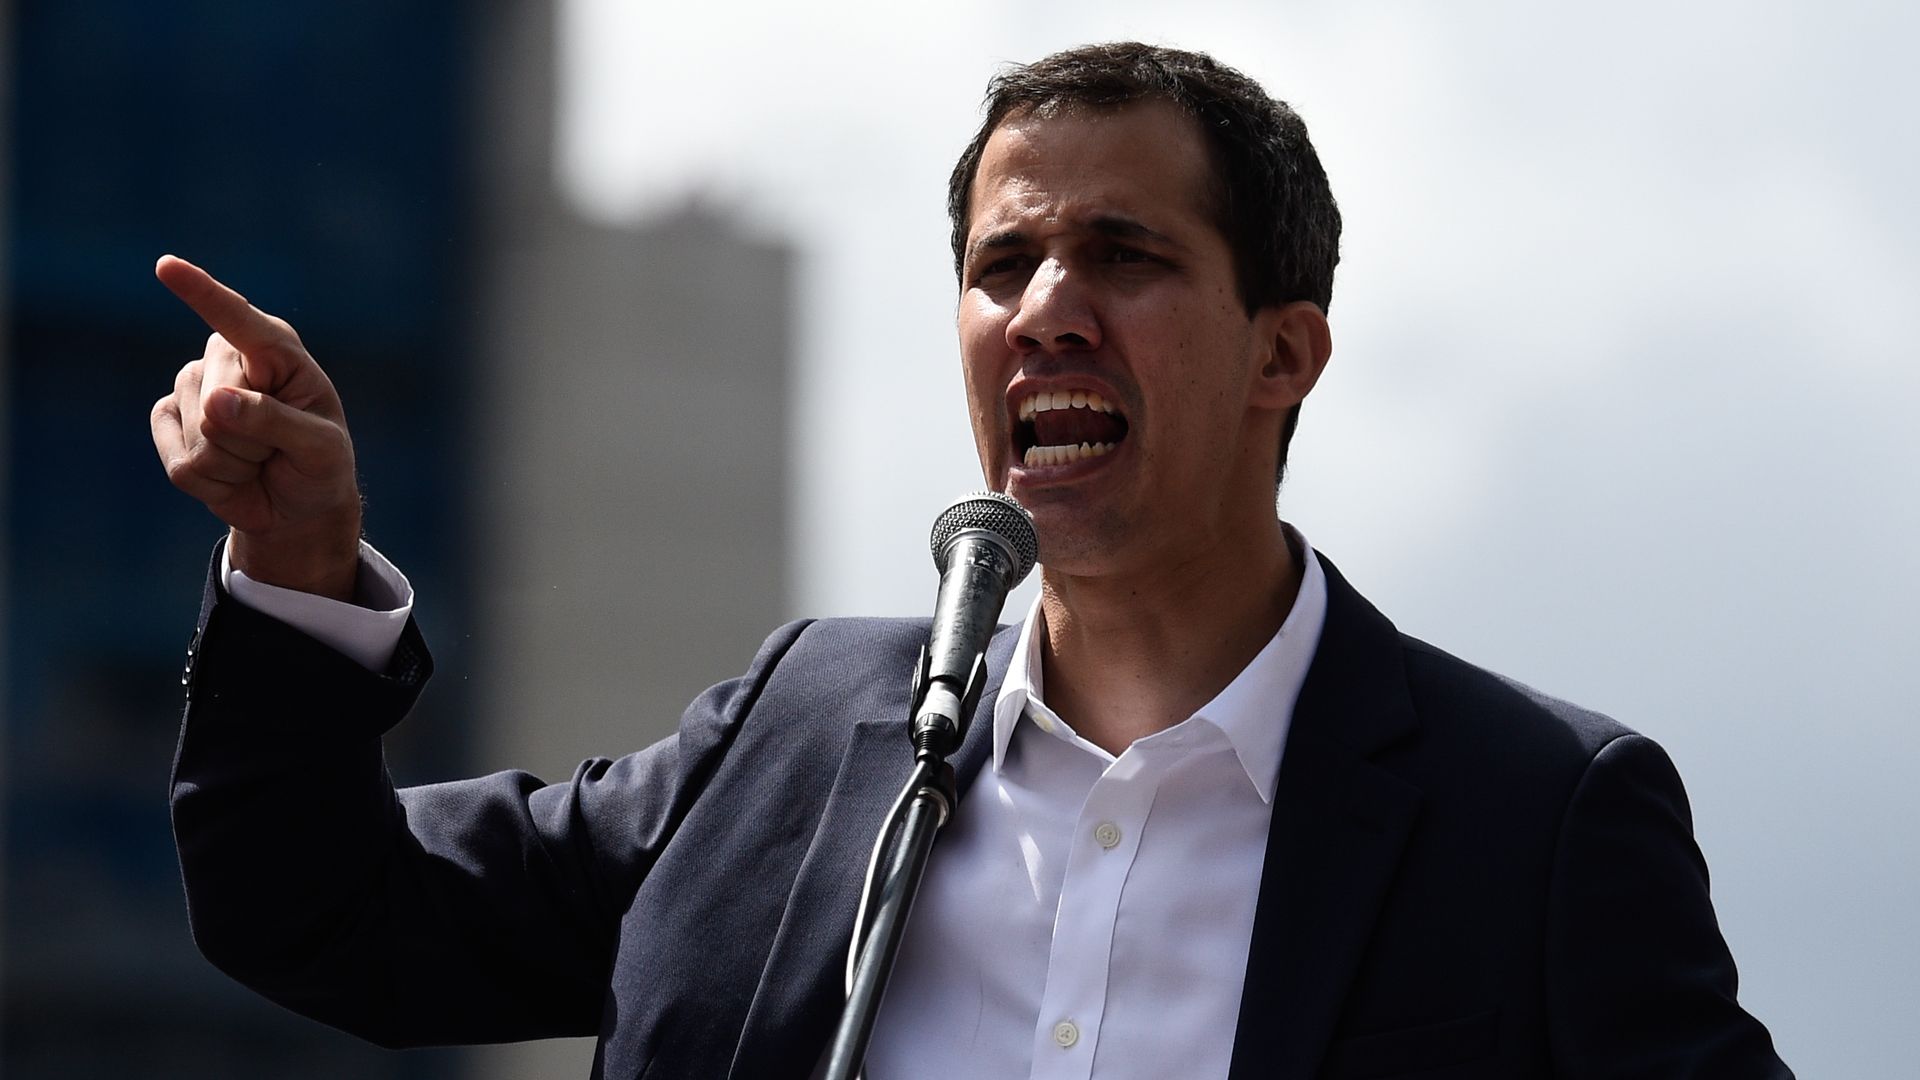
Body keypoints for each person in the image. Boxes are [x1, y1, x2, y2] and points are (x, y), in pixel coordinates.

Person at [153, 42, 1793, 1079]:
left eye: (1126, 254)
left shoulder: (1539, 820)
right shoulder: (797, 733)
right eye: (1003, 262)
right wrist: (302, 565)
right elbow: (329, 915)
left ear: (1284, 355)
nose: (1046, 307)